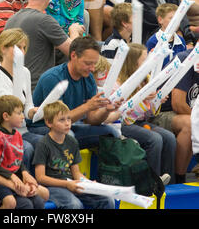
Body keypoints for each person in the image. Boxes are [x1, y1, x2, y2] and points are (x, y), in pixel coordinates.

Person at [29, 35, 122, 147]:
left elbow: (91, 119)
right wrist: (87, 106)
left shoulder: (88, 77)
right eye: (88, 63)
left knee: (111, 133)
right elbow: (57, 121)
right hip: (41, 127)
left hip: (71, 125)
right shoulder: (53, 78)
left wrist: (106, 110)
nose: (93, 68)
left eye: (94, 63)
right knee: (67, 137)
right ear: (73, 56)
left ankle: (100, 164)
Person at [5, 0, 84, 90]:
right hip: (37, 89)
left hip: (13, 88)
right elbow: (74, 52)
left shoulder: (11, 20)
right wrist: (74, 31)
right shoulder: (44, 21)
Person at [33, 100, 115, 209]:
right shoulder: (43, 144)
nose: (67, 123)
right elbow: (40, 178)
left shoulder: (72, 141)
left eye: (68, 119)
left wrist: (89, 183)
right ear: (49, 123)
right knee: (74, 205)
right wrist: (67, 184)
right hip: (53, 187)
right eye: (62, 120)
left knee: (106, 199)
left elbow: (76, 173)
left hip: (72, 183)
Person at [113, 43, 176, 184]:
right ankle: (151, 181)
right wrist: (143, 99)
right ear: (133, 62)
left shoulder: (145, 79)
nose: (148, 62)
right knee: (155, 139)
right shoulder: (119, 84)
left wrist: (157, 100)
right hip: (123, 124)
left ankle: (170, 182)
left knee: (170, 138)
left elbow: (149, 114)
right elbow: (123, 115)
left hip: (140, 123)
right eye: (144, 59)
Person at [0, 28, 41, 171]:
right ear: (3, 49)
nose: (22, 52)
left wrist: (35, 112)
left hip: (22, 130)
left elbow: (27, 106)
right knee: (26, 149)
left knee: (45, 142)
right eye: (18, 47)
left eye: (24, 48)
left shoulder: (25, 72)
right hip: (3, 133)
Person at [0, 95, 49, 209]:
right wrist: (11, 176)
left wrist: (25, 173)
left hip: (15, 178)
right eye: (19, 113)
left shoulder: (17, 134)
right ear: (6, 116)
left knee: (38, 201)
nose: (23, 117)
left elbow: (17, 161)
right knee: (25, 205)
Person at [150, 48, 199, 183]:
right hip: (159, 112)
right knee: (190, 124)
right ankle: (179, 179)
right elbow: (178, 104)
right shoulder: (186, 60)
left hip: (185, 113)